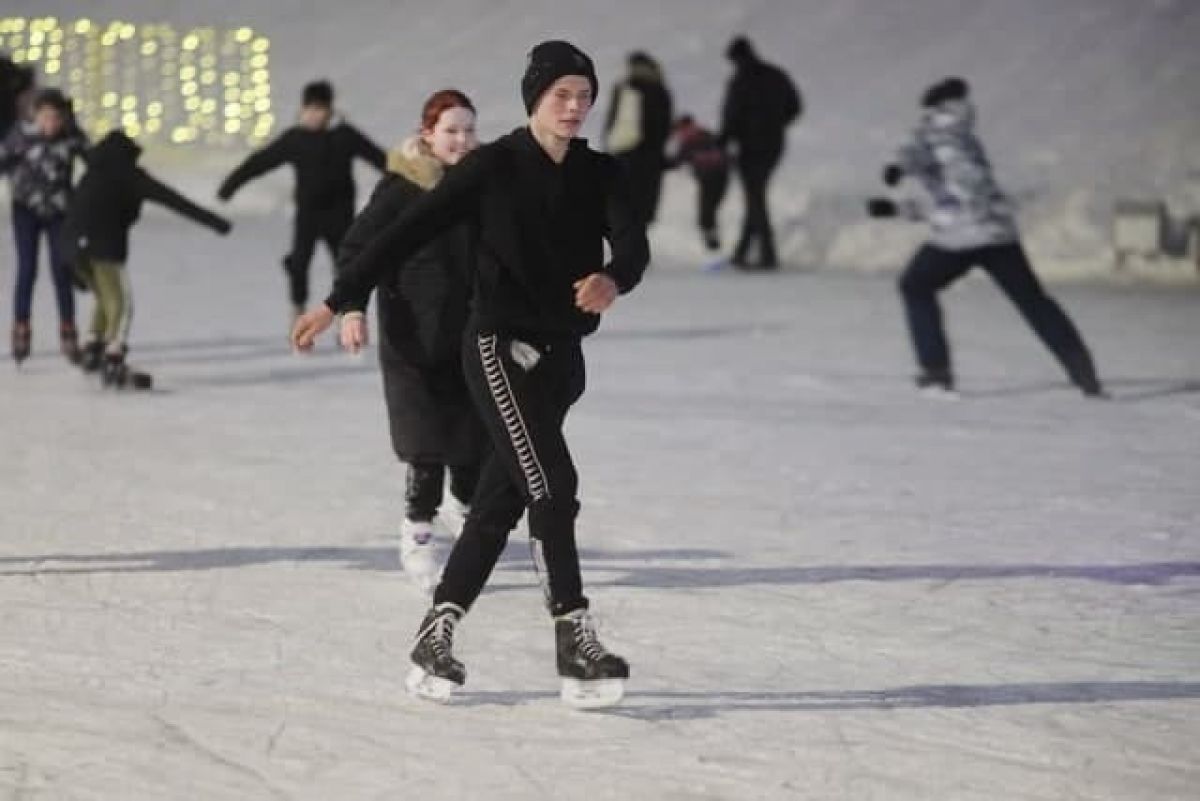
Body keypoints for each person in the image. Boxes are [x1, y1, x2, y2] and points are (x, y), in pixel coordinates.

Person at [292, 40, 649, 707]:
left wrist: (613, 276)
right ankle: (575, 638)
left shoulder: (600, 173)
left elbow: (634, 243)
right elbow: (402, 233)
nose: (573, 108)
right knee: (554, 483)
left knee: (498, 502)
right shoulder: (493, 167)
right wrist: (339, 299)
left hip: (562, 359)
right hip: (498, 346)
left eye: (583, 95)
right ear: (534, 98)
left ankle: (435, 634)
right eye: (559, 95)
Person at [335, 89, 488, 592]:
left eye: (468, 129)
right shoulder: (401, 188)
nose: (461, 140)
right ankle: (418, 535)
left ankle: (463, 511)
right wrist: (352, 306)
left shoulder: (483, 187)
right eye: (450, 131)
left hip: (469, 335)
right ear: (428, 135)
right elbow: (358, 248)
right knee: (426, 447)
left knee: (473, 442)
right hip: (412, 339)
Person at [867, 77, 1104, 398]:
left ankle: (936, 374)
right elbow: (915, 155)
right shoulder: (960, 134)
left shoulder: (939, 138)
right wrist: (898, 172)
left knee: (915, 285)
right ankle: (1083, 372)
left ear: (935, 106)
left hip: (963, 236)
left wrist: (899, 205)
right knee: (1033, 302)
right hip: (998, 232)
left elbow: (961, 197)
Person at [63, 131, 231, 386]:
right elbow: (174, 201)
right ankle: (113, 355)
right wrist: (216, 222)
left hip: (75, 249)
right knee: (122, 304)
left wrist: (70, 257)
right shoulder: (132, 176)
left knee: (104, 298)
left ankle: (92, 346)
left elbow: (73, 212)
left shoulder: (90, 174)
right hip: (107, 249)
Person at [217, 80, 386, 328]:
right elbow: (259, 162)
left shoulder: (345, 135)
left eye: (321, 109)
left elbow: (381, 159)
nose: (316, 114)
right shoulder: (294, 139)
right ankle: (298, 312)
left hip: (340, 214)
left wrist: (411, 181)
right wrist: (230, 185)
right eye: (311, 108)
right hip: (308, 214)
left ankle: (346, 317)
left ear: (329, 110)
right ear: (303, 109)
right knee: (299, 263)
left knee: (345, 266)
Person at [0, 88, 88, 364]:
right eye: (45, 118)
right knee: (27, 268)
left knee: (62, 269)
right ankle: (21, 327)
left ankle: (68, 329)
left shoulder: (71, 138)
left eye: (56, 118)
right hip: (26, 210)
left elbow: (97, 162)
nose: (50, 124)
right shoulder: (20, 137)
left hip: (60, 211)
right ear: (35, 116)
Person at [718, 36, 802, 270]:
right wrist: (776, 124)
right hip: (774, 144)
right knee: (755, 195)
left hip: (750, 147)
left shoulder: (740, 80)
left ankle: (767, 253)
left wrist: (723, 141)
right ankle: (743, 252)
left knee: (755, 197)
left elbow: (732, 115)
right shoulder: (776, 75)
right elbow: (795, 106)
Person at [603, 50, 673, 227]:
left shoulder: (622, 88)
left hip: (622, 153)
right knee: (642, 210)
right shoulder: (659, 90)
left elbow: (610, 121)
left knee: (621, 205)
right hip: (649, 158)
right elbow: (664, 127)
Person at [667, 114, 730, 252]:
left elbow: (676, 162)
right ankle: (713, 243)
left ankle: (713, 246)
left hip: (713, 179)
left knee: (706, 212)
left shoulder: (690, 141)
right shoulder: (706, 136)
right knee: (708, 211)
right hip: (718, 178)